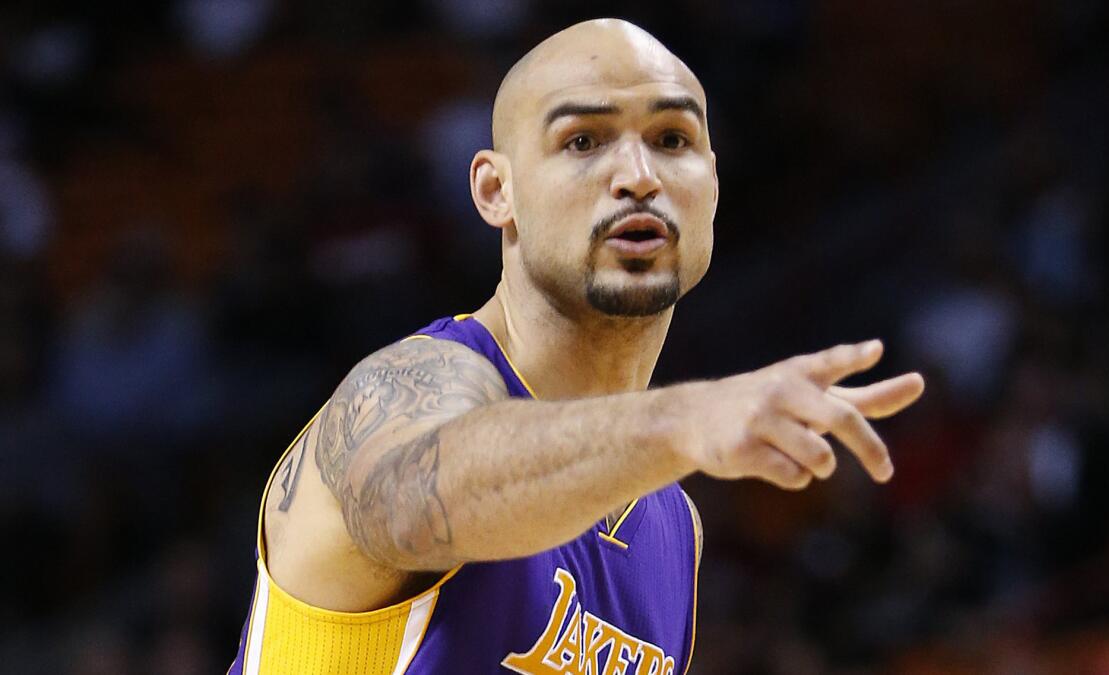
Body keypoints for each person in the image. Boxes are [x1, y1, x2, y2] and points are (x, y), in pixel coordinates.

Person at [229, 18, 925, 675]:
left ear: (713, 185)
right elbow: (414, 501)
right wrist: (681, 421)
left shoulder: (673, 521)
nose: (638, 175)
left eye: (672, 139)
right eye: (583, 141)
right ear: (496, 191)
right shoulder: (404, 388)